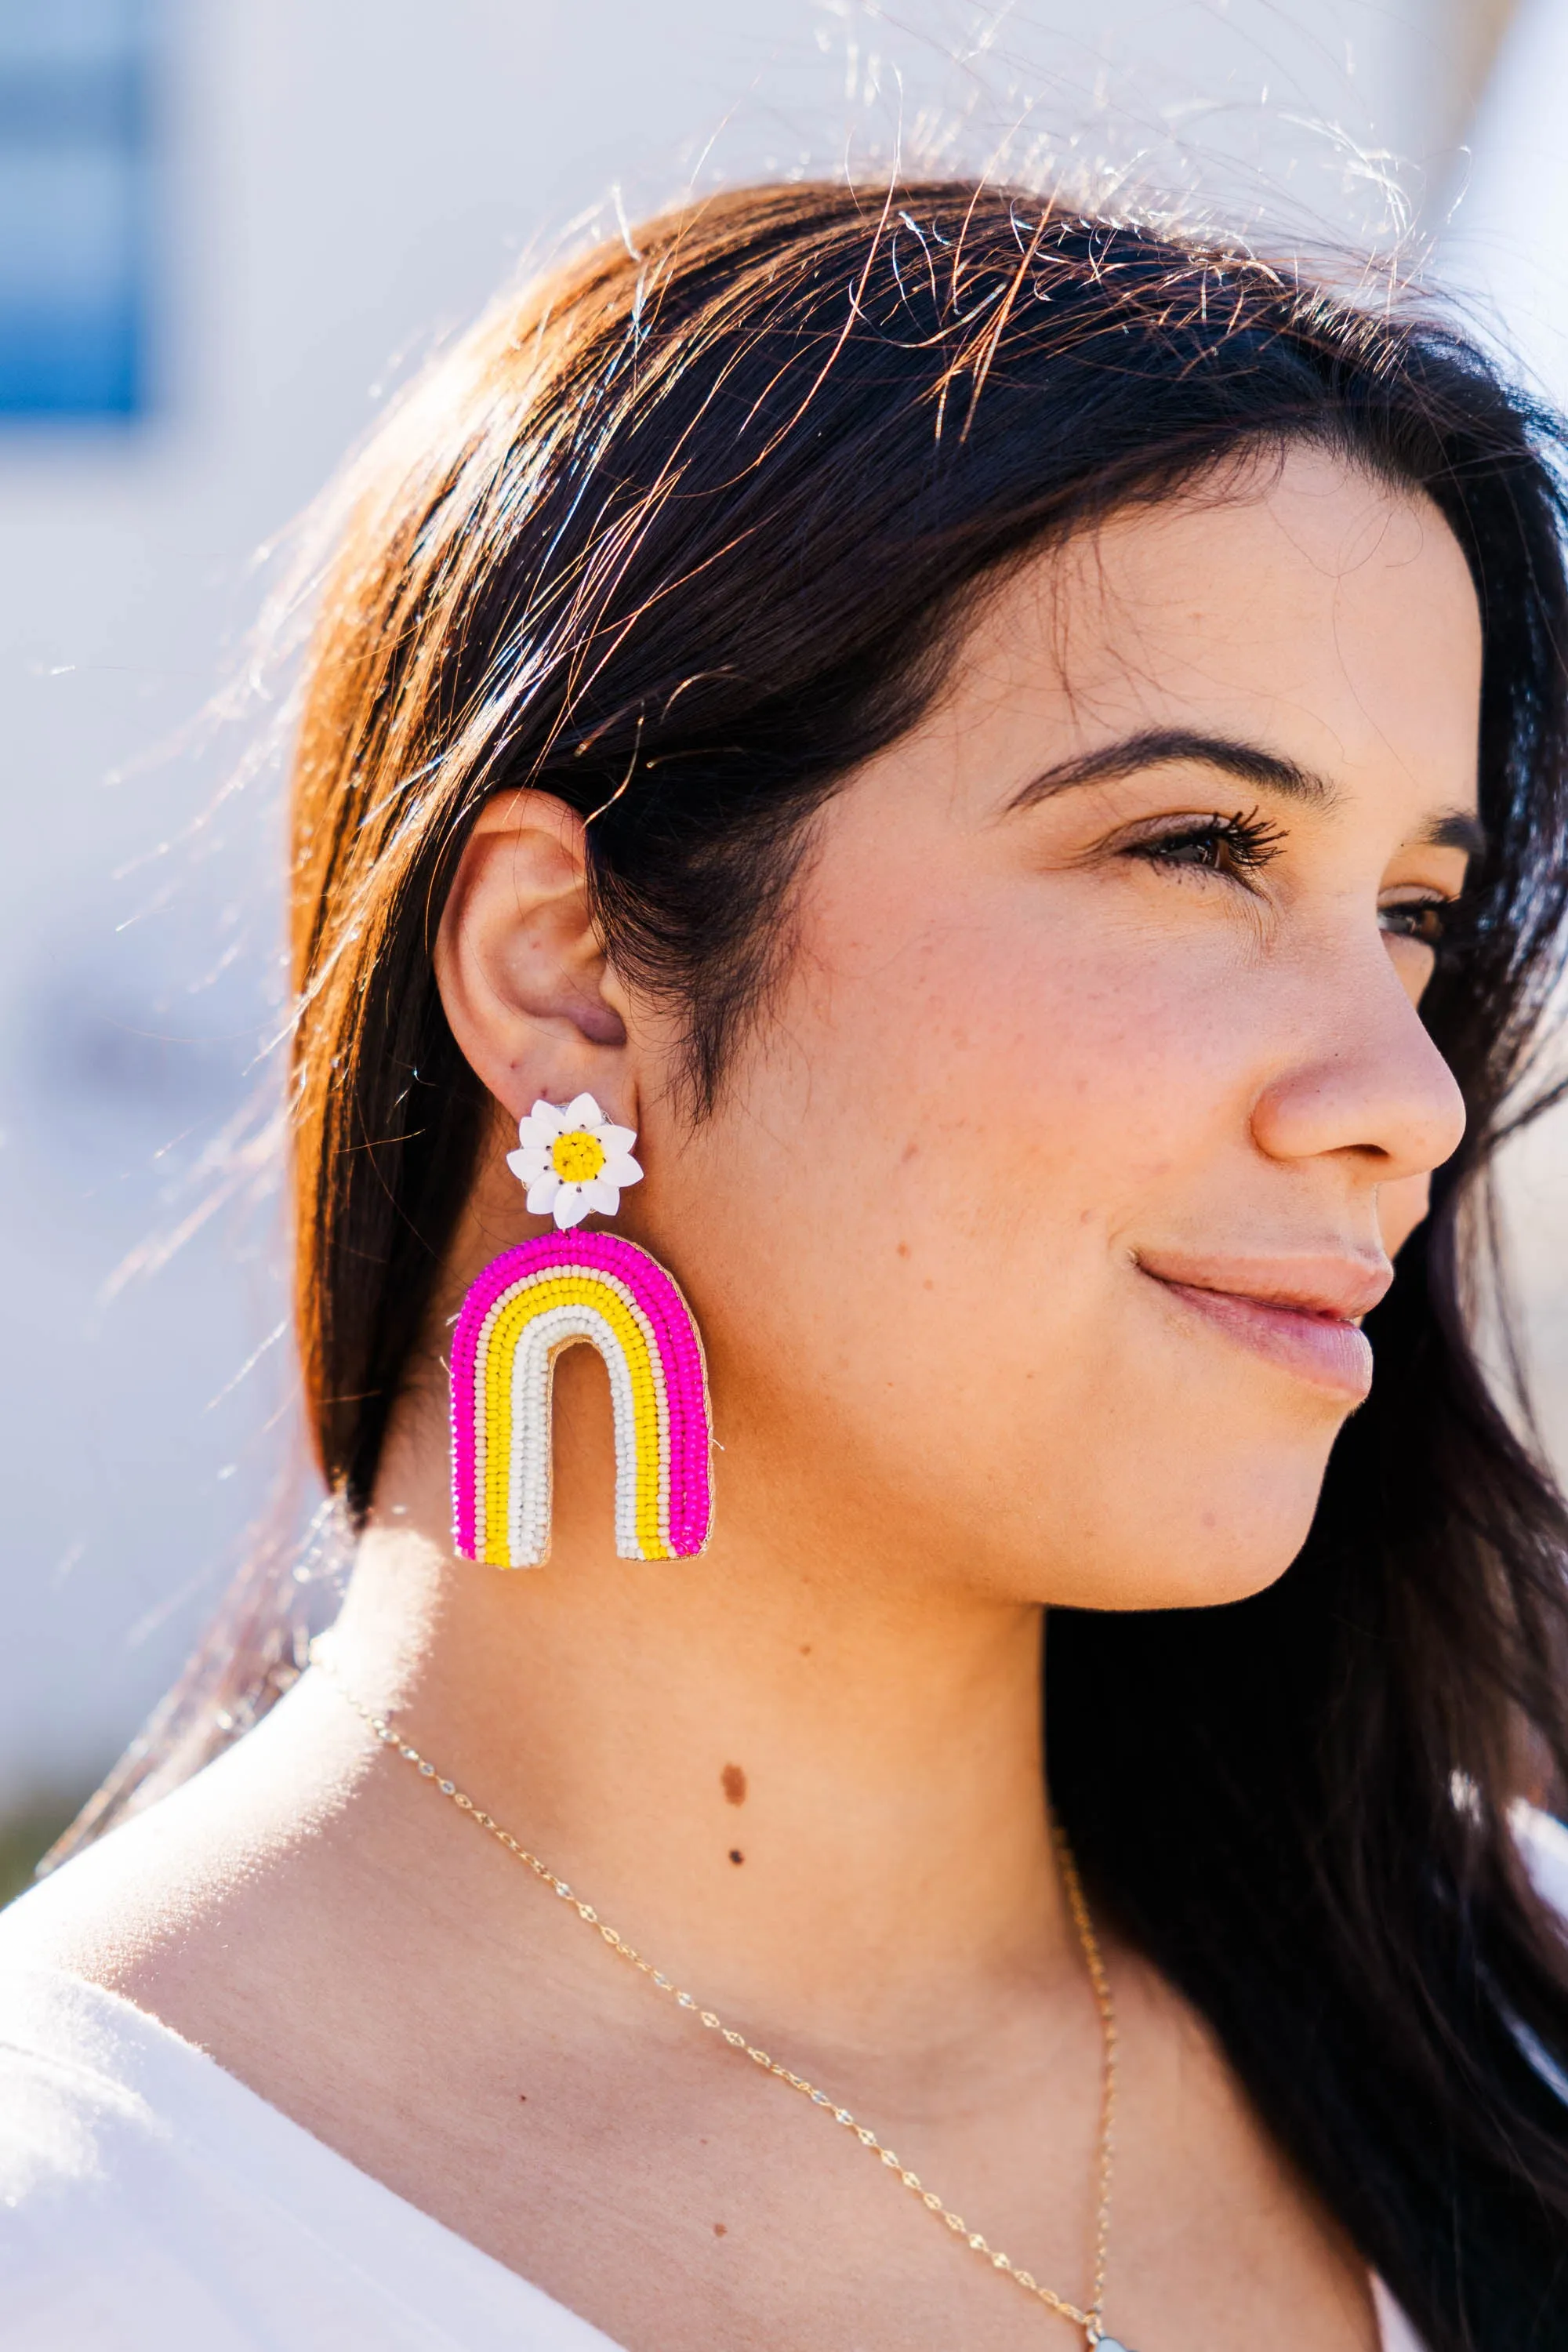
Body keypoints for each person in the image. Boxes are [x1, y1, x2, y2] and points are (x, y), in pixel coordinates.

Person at [4, 177, 1568, 2352]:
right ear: (561, 974)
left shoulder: (1522, 2026)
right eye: (1198, 846)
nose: (1398, 1088)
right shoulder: (86, 2245)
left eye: (1410, 910)